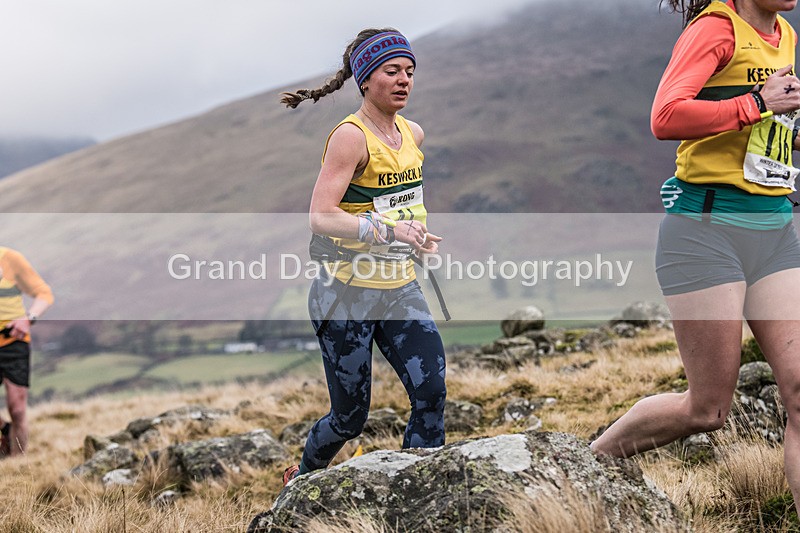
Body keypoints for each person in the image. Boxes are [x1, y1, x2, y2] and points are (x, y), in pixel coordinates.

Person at [591, 0, 800, 513]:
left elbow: (765, 128)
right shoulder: (714, 28)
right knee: (707, 410)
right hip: (706, 234)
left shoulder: (785, 33)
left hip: (774, 228)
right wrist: (757, 102)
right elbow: (666, 117)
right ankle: (583, 464)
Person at [279, 28, 447, 484]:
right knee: (350, 418)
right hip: (345, 297)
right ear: (365, 78)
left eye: (410, 72)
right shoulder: (350, 138)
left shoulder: (413, 133)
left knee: (431, 394)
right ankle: (303, 481)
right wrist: (389, 230)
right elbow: (321, 216)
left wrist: (417, 236)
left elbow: (401, 201)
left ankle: (419, 493)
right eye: (392, 71)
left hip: (399, 291)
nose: (404, 80)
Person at [0, 247, 53, 456]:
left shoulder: (11, 259)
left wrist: (28, 318)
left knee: (18, 408)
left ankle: (18, 466)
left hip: (14, 341)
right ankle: (6, 429)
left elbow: (44, 294)